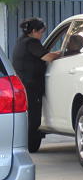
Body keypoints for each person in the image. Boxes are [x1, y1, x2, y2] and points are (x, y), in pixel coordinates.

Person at [11, 18, 61, 152]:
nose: (42, 35)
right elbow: (48, 57)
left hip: (23, 85)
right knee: (34, 118)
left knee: (27, 116)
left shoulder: (21, 42)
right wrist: (62, 53)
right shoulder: (32, 42)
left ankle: (26, 144)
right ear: (33, 31)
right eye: (41, 32)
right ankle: (31, 146)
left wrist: (55, 53)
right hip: (31, 86)